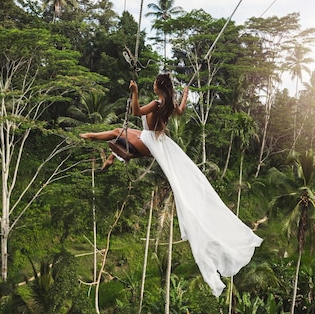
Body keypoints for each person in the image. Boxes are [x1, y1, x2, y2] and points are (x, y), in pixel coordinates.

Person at [81, 73, 262, 296]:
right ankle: (111, 156)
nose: (153, 85)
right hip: (158, 140)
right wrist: (185, 96)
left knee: (117, 132)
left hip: (150, 142)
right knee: (123, 133)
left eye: (154, 83)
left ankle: (90, 136)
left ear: (158, 87)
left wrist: (135, 93)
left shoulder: (158, 103)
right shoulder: (169, 104)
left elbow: (137, 112)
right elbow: (181, 111)